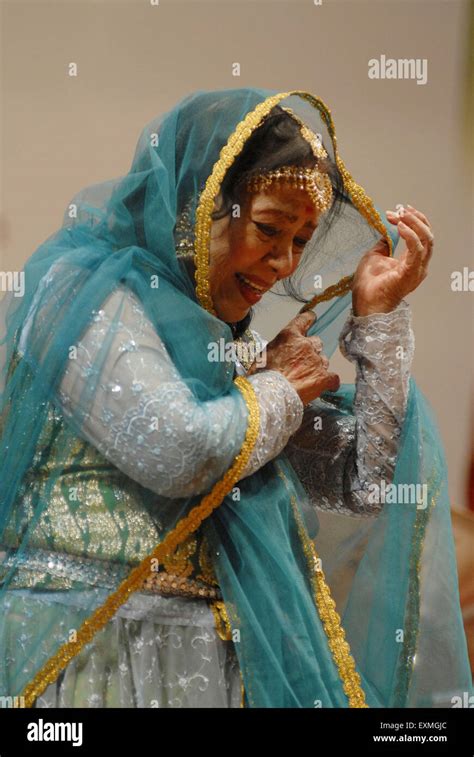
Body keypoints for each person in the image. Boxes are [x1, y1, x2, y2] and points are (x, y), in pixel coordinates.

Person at [0, 88, 471, 708]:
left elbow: (362, 481)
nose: (281, 263)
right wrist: (280, 389)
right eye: (270, 228)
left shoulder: (228, 350)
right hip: (87, 651)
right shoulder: (85, 290)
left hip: (207, 663)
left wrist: (377, 319)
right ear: (199, 204)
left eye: (301, 241)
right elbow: (177, 449)